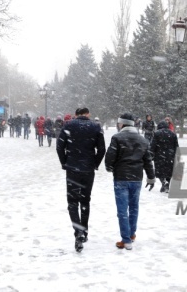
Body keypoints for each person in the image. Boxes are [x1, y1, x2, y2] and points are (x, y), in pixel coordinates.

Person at [56, 107, 106, 252]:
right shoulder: (95, 127)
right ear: (87, 114)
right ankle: (84, 231)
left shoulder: (69, 125)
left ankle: (77, 231)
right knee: (85, 200)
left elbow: (60, 147)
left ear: (76, 115)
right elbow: (102, 149)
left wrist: (64, 162)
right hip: (88, 168)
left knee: (72, 201)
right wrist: (95, 163)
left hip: (73, 168)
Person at [105, 113, 155, 250]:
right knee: (134, 207)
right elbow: (148, 161)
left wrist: (109, 167)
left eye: (119, 123)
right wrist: (151, 177)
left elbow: (110, 156)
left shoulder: (117, 138)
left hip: (121, 177)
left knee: (122, 209)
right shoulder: (142, 140)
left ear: (122, 124)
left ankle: (126, 240)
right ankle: (132, 234)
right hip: (136, 178)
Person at [149, 120, 178, 193]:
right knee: (169, 171)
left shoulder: (157, 133)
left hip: (159, 155)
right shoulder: (173, 134)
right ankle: (167, 184)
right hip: (170, 156)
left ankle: (163, 182)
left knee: (159, 171)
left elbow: (153, 145)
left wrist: (151, 154)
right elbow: (176, 146)